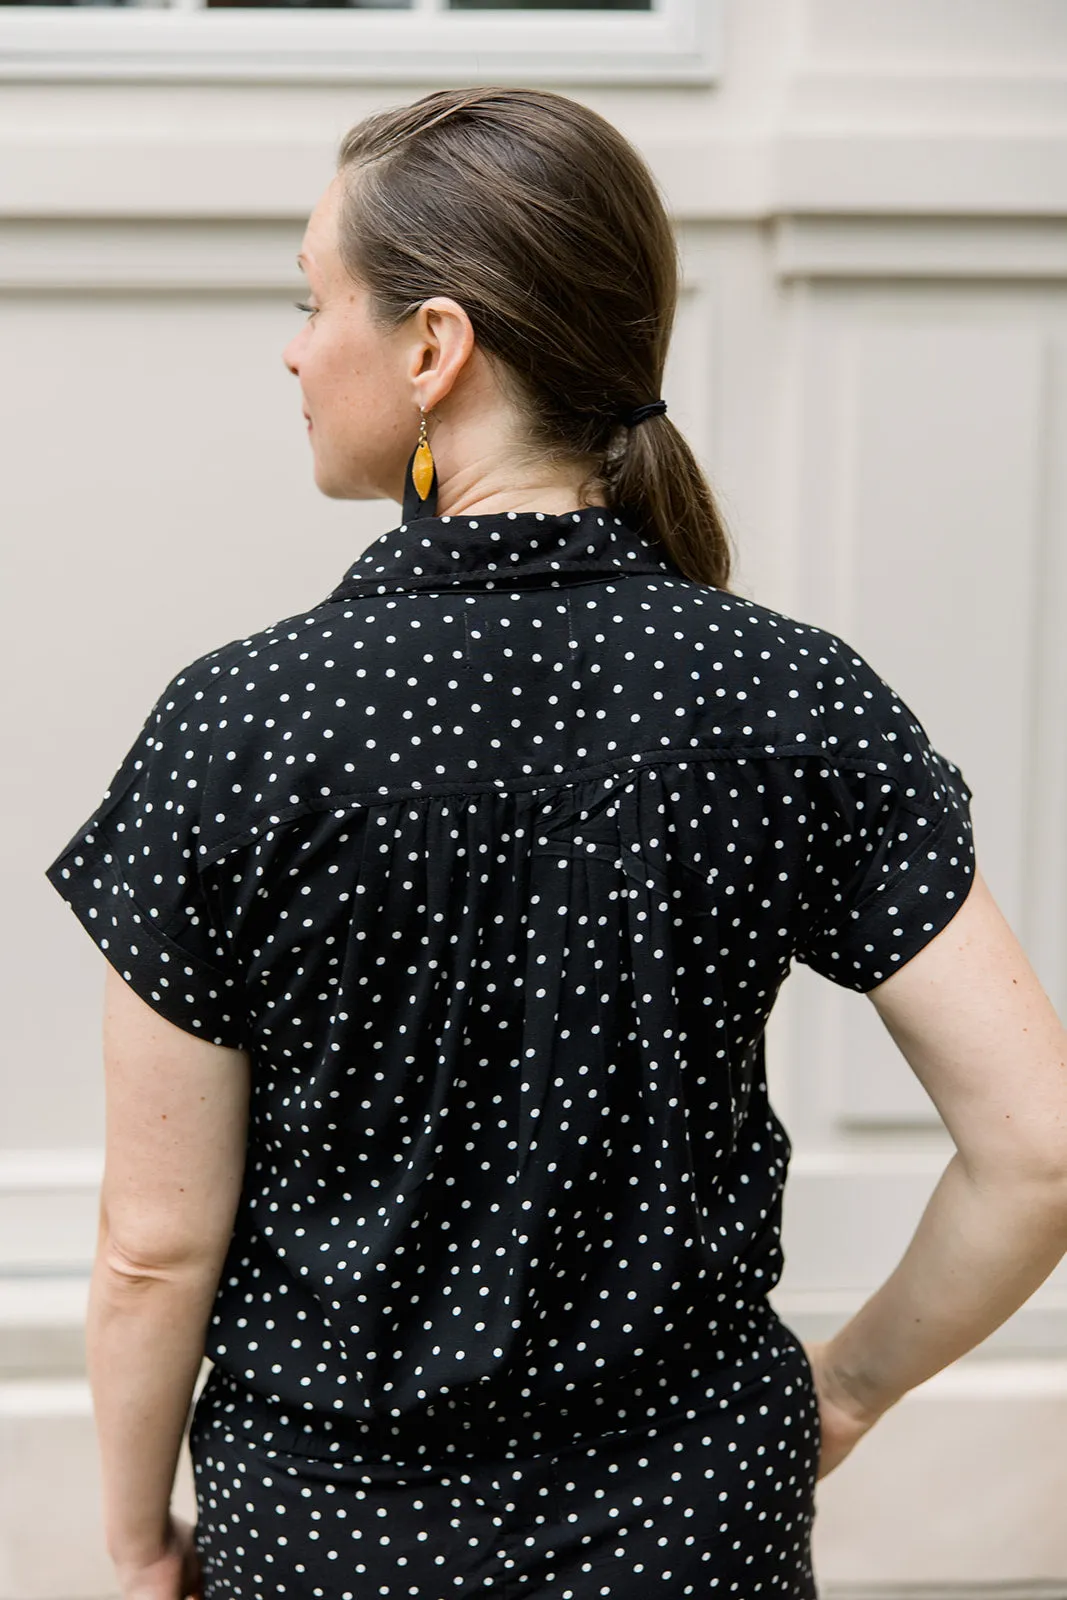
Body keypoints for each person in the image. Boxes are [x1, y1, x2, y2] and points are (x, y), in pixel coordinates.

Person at [44, 86, 1067, 1600]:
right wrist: (837, 1394)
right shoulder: (787, 697)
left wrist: (136, 1544)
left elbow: (149, 1249)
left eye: (313, 299)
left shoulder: (238, 725)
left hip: (334, 1537)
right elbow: (1036, 1151)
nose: (291, 345)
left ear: (433, 348)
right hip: (685, 1525)